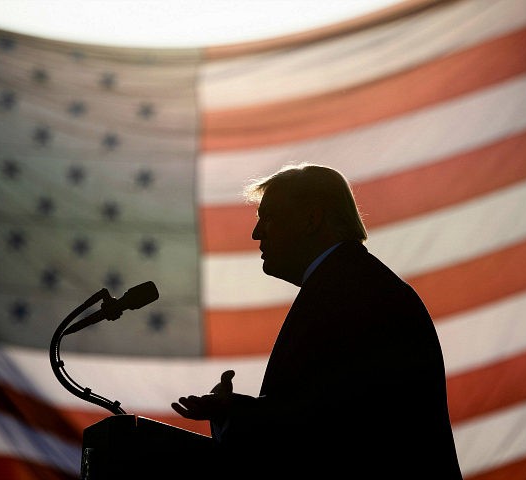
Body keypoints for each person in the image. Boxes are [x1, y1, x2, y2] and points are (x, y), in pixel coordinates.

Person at [172, 163, 463, 477]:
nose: (257, 233)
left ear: (311, 219)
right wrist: (232, 413)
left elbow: (330, 420)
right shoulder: (349, 283)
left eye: (268, 217)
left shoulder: (352, 291)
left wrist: (234, 412)